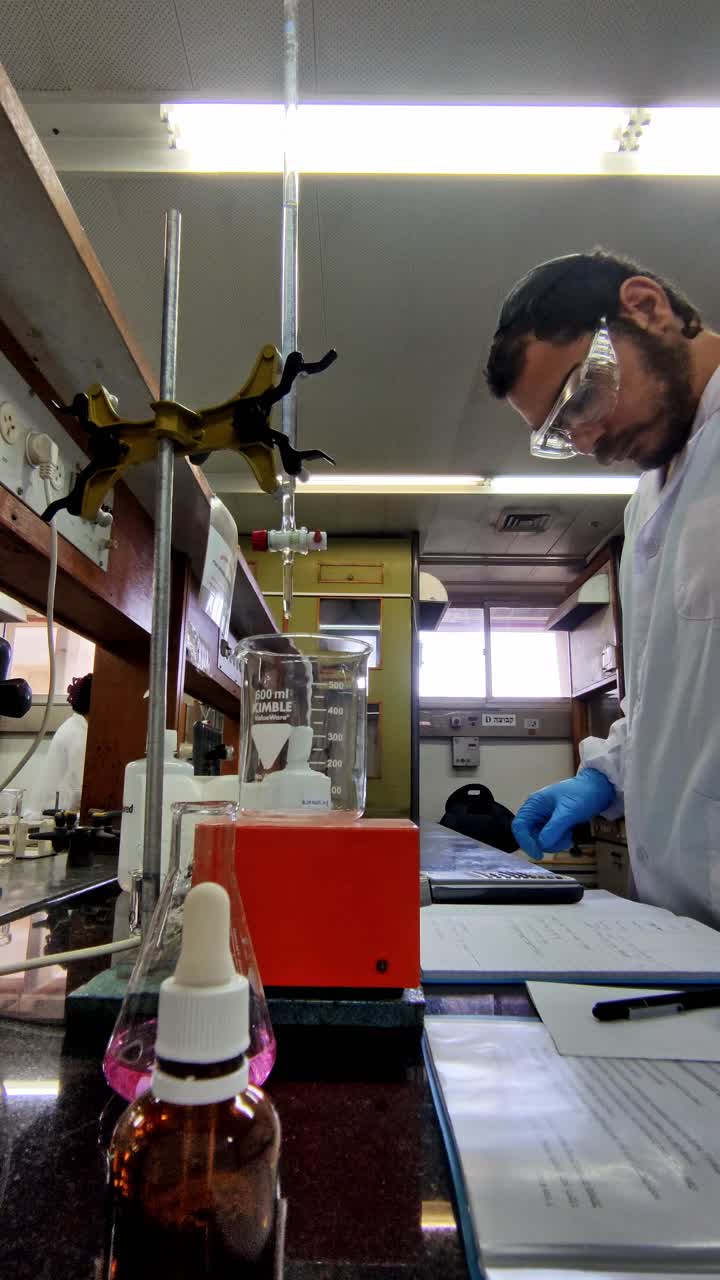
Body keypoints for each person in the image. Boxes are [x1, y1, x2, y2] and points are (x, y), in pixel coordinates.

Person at [484, 250, 720, 926]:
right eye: (561, 431)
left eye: (582, 396)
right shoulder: (644, 503)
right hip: (685, 924)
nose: (588, 438)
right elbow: (670, 694)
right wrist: (607, 774)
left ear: (646, 308)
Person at [26, 673, 93, 815]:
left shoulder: (76, 726)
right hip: (47, 818)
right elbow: (82, 789)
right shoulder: (78, 734)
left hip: (54, 814)